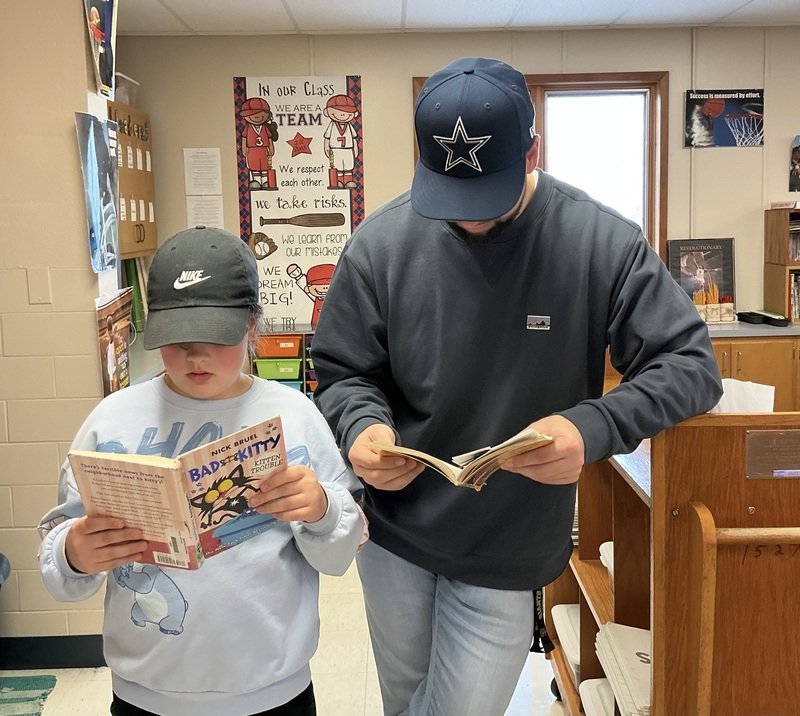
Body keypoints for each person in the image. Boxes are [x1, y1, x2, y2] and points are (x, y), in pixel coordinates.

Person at [309, 57, 723, 716]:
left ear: (533, 150)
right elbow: (341, 368)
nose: (469, 221)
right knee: (404, 703)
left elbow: (692, 366)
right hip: (393, 534)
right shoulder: (380, 243)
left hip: (508, 539)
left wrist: (592, 428)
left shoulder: (600, 242)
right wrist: (362, 425)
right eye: (451, 198)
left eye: (487, 197)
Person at [38, 226, 367, 716]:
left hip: (272, 691)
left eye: (216, 336)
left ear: (252, 325)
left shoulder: (295, 416)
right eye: (177, 338)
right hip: (144, 693)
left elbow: (341, 553)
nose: (196, 355)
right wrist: (73, 552)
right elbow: (58, 554)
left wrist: (322, 509)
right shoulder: (112, 421)